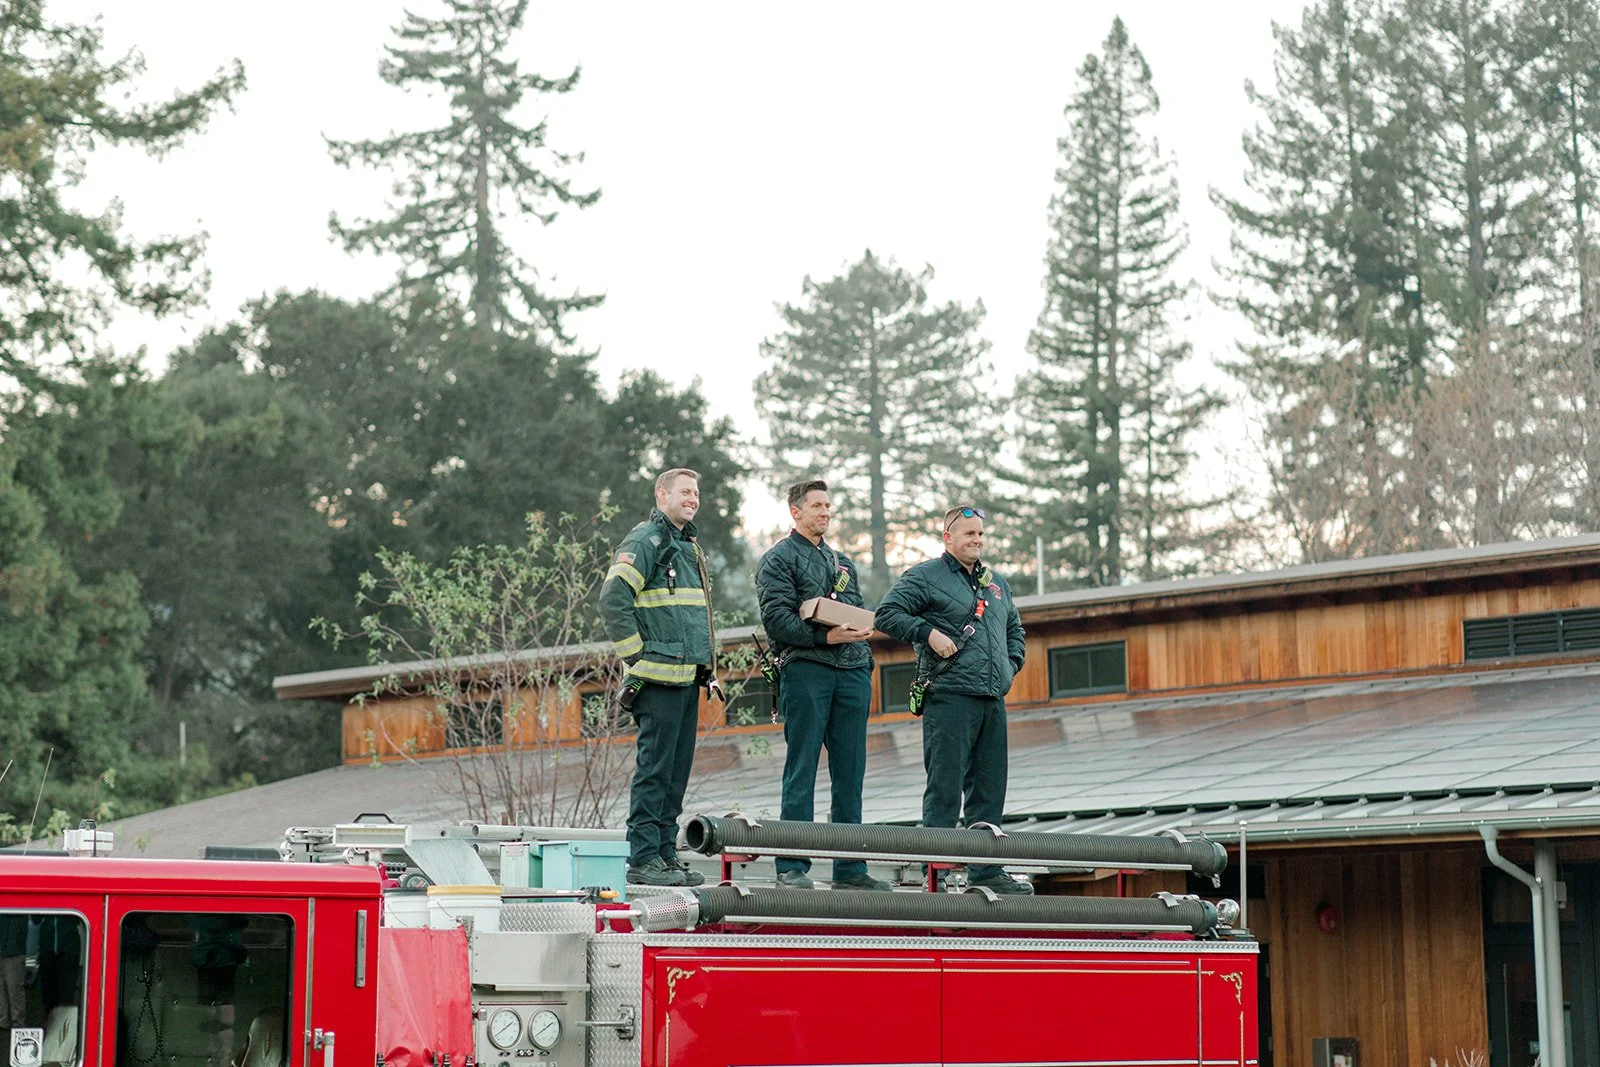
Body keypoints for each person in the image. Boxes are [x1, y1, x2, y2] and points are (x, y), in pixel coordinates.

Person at [874, 504, 1031, 895]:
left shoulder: (997, 584)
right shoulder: (925, 576)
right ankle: (938, 871)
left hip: (993, 698)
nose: (976, 539)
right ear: (948, 537)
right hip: (950, 696)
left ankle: (988, 871)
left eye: (980, 533)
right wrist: (927, 632)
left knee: (989, 790)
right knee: (944, 786)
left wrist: (1011, 666)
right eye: (968, 534)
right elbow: (886, 614)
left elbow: (1015, 630)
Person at [755, 479, 889, 891]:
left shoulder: (843, 562)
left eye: (828, 505)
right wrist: (823, 636)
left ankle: (850, 869)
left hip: (851, 671)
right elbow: (776, 619)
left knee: (851, 772)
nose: (825, 512)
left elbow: (859, 608)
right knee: (803, 767)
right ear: (795, 511)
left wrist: (862, 635)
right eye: (817, 505)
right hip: (806, 669)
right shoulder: (777, 560)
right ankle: (791, 866)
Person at [601, 468, 719, 887]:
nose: (694, 498)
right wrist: (638, 657)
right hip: (657, 680)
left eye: (697, 493)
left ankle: (665, 856)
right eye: (685, 491)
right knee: (655, 772)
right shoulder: (645, 541)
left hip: (687, 679)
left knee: (675, 773)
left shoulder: (688, 547)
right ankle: (644, 857)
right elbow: (613, 601)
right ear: (662, 494)